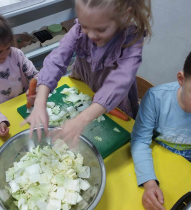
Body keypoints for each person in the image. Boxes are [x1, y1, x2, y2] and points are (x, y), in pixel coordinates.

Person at [22, 0, 152, 143]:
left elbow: (119, 82)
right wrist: (40, 102)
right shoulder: (79, 30)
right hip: (83, 82)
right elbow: (56, 59)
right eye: (85, 26)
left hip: (114, 99)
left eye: (100, 29)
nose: (90, 35)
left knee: (119, 132)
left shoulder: (132, 40)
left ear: (124, 16)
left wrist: (82, 119)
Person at [131, 44, 191, 210]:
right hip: (155, 165)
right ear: (181, 80)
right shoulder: (156, 99)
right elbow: (140, 141)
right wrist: (149, 183)